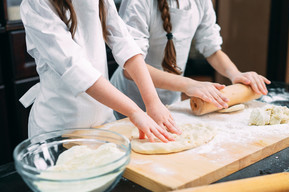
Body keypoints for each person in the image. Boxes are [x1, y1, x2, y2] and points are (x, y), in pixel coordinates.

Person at [19, 0, 181, 142]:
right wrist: (134, 111)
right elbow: (75, 68)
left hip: (102, 122)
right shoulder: (36, 4)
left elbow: (124, 43)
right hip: (60, 127)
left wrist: (152, 102)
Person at [110, 0, 271, 120]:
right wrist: (189, 85)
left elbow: (212, 49)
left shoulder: (200, 2)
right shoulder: (139, 3)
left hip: (169, 102)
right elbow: (131, 69)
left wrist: (235, 74)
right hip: (126, 101)